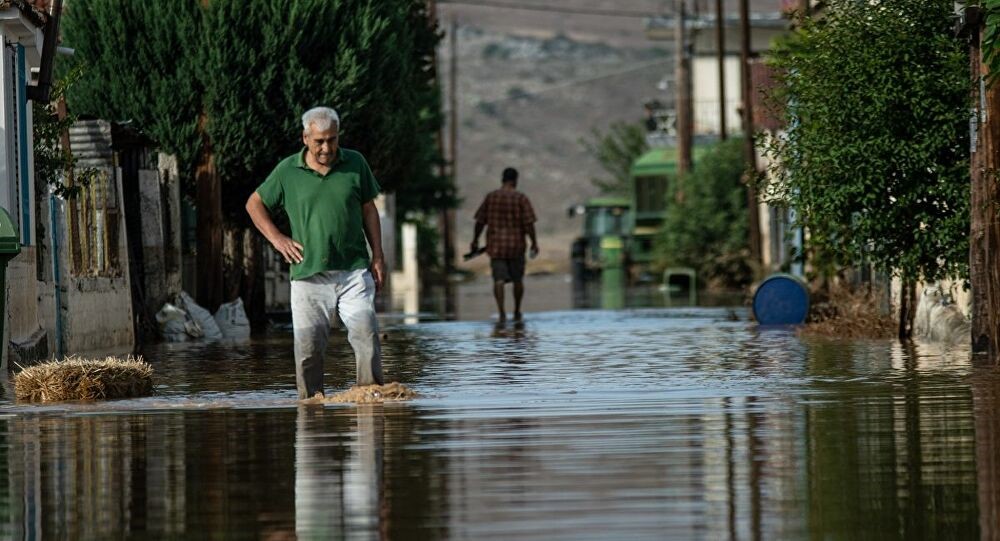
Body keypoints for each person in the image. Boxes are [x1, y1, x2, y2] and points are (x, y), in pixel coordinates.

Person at [246, 106, 384, 399]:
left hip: (353, 271)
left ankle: (370, 399)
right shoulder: (287, 170)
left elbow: (369, 209)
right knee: (308, 350)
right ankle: (310, 408)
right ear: (305, 138)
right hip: (308, 276)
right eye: (319, 141)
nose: (326, 147)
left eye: (332, 140)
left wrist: (378, 255)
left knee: (367, 335)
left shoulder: (355, 163)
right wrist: (278, 239)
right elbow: (254, 204)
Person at [470, 167, 539, 323]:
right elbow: (529, 223)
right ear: (515, 180)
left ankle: (501, 312)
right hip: (516, 245)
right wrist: (534, 242)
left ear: (502, 179)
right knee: (518, 279)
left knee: (498, 279)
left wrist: (475, 240)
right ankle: (516, 310)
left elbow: (480, 221)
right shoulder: (521, 198)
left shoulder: (491, 197)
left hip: (496, 246)